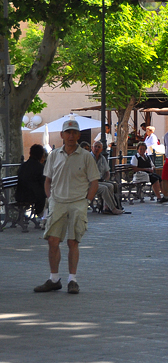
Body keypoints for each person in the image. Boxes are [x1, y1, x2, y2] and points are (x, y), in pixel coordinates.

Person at [34, 119, 100, 294]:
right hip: (58, 202)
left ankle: (73, 280)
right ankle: (54, 279)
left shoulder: (86, 156)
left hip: (78, 203)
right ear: (62, 135)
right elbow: (47, 179)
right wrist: (50, 197)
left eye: (74, 132)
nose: (71, 136)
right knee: (53, 241)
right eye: (68, 132)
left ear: (78, 135)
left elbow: (94, 181)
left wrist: (87, 201)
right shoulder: (54, 155)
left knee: (73, 241)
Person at [16, 144, 48, 218]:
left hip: (19, 195)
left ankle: (40, 215)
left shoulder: (23, 165)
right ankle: (41, 215)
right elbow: (44, 182)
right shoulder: (39, 167)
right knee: (45, 193)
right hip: (32, 196)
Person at [91, 141, 123, 215]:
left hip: (99, 180)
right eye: (95, 146)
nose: (96, 148)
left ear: (101, 149)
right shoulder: (88, 157)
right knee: (104, 188)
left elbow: (107, 172)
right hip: (90, 182)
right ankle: (113, 208)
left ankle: (107, 207)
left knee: (111, 185)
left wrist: (106, 179)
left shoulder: (102, 158)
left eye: (99, 147)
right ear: (92, 148)